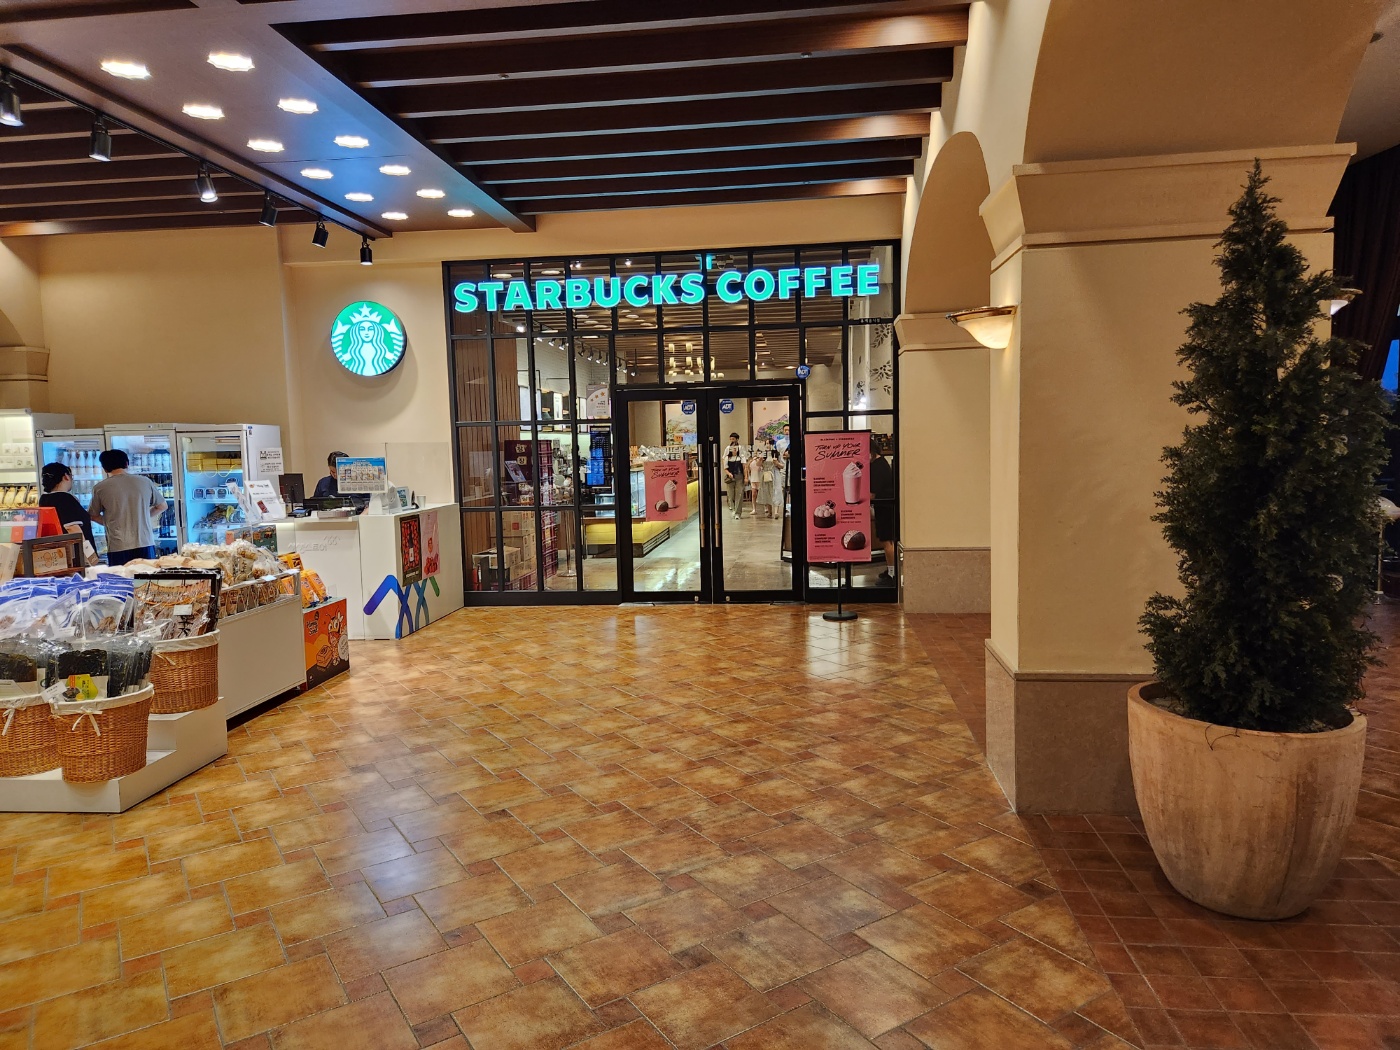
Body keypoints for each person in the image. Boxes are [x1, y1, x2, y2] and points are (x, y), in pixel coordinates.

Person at [88, 449, 167, 566]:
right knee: (146, 575)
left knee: (121, 576)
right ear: (126, 464)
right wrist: (143, 516)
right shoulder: (145, 481)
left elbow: (93, 516)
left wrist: (111, 523)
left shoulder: (100, 488)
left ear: (104, 468)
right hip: (145, 542)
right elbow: (162, 506)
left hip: (118, 545)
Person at [39, 462, 95, 552]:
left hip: (59, 551)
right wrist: (89, 554)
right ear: (66, 476)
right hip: (75, 553)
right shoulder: (65, 498)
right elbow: (72, 528)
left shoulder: (44, 499)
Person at [869, 435, 897, 586]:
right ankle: (891, 570)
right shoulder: (881, 463)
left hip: (885, 508)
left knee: (887, 542)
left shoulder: (877, 467)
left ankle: (892, 575)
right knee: (888, 541)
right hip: (886, 507)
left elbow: (872, 493)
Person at [757, 446, 784, 519]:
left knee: (776, 491)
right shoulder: (763, 454)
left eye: (769, 443)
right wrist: (760, 460)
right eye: (766, 443)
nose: (768, 445)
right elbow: (758, 465)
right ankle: (770, 512)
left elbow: (782, 466)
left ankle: (776, 512)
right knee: (767, 492)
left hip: (775, 475)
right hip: (766, 475)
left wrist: (777, 463)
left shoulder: (777, 454)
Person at [723, 433, 745, 519]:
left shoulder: (741, 455)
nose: (734, 450)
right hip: (730, 477)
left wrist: (746, 477)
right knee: (730, 494)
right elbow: (725, 467)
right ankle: (732, 508)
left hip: (739, 475)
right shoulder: (727, 456)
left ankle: (737, 513)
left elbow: (744, 466)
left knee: (739, 493)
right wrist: (729, 473)